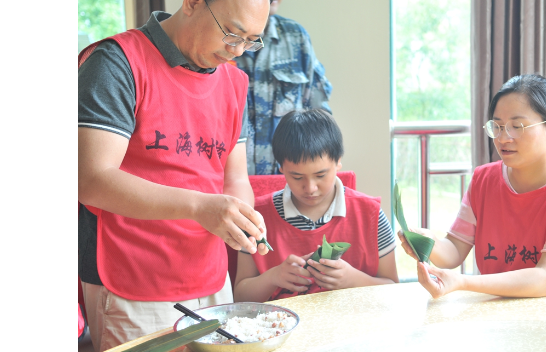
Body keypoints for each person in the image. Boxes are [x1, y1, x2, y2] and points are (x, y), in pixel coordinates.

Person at [77, 1, 272, 350]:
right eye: (231, 33)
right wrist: (200, 207)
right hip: (131, 279)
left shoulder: (234, 81)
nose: (237, 51)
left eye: (251, 40)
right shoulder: (116, 62)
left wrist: (241, 218)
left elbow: (235, 177)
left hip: (211, 280)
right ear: (193, 3)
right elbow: (91, 179)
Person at [398, 74, 546, 299]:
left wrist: (461, 282)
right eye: (498, 126)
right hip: (496, 319)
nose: (503, 138)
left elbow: (544, 279)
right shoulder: (483, 180)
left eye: (517, 126)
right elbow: (454, 251)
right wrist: (428, 242)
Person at [233, 109, 398, 302]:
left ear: (338, 162)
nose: (310, 188)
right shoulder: (257, 217)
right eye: (297, 177)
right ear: (281, 168)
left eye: (320, 175)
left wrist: (353, 280)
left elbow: (394, 289)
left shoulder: (371, 214)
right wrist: (274, 277)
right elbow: (240, 297)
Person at [234, 0, 333, 175]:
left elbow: (319, 117)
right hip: (230, 183)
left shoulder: (295, 37)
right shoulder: (220, 40)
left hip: (289, 182)